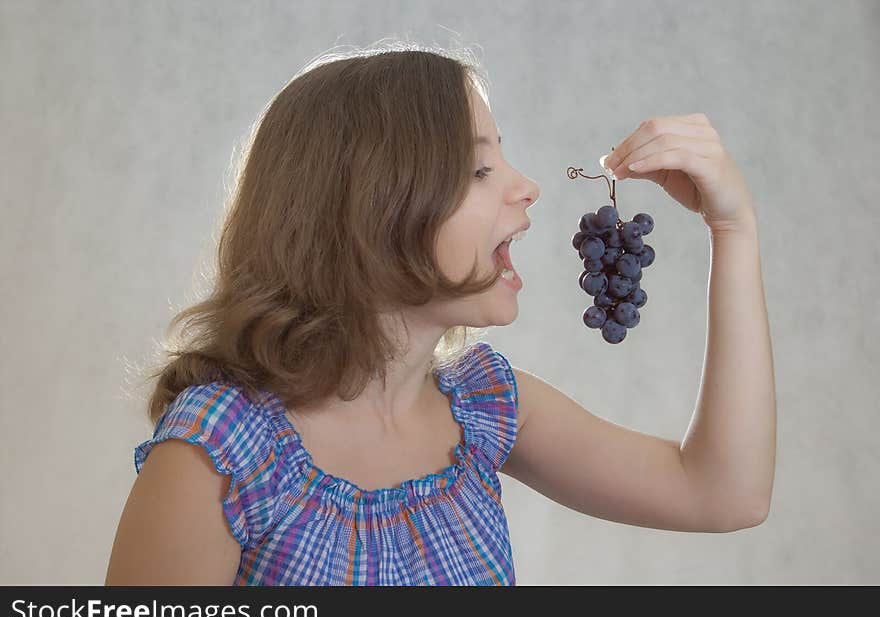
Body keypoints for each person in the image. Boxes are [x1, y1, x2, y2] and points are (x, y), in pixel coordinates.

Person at [105, 44, 775, 586]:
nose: (526, 185)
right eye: (479, 170)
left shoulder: (482, 407)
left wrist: (733, 228)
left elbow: (723, 494)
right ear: (372, 209)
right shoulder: (220, 455)